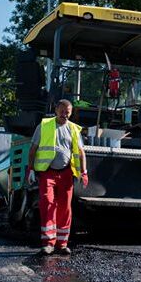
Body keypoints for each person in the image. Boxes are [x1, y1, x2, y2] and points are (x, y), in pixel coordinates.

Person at [27, 99, 88, 256]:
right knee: (47, 204)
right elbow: (33, 149)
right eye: (62, 110)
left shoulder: (73, 129)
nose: (65, 114)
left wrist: (84, 171)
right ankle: (48, 243)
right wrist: (31, 169)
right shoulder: (44, 126)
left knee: (65, 208)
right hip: (48, 172)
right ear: (56, 110)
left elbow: (81, 152)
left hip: (66, 173)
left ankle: (62, 243)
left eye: (68, 112)